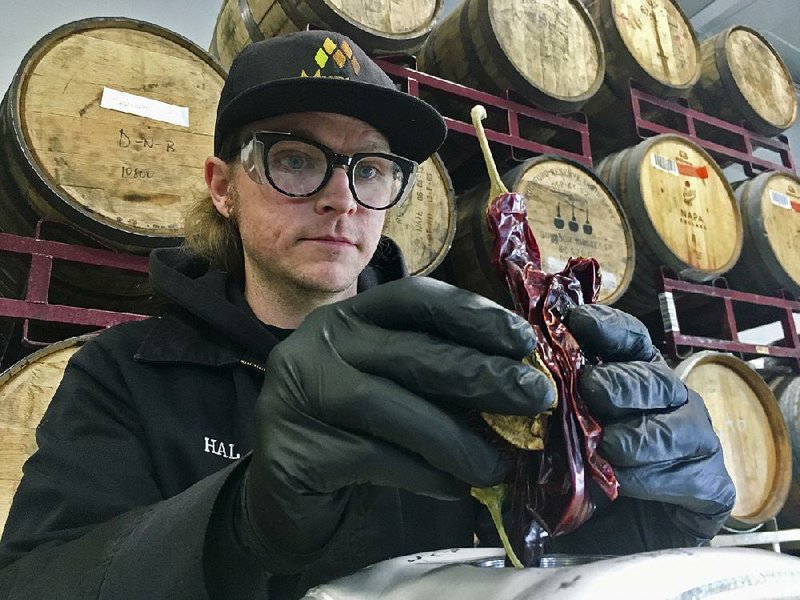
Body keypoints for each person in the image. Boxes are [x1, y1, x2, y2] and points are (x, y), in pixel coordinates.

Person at [0, 29, 734, 599]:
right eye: (294, 159)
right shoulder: (124, 374)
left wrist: (656, 511)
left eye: (373, 169)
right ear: (223, 187)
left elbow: (540, 551)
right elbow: (38, 582)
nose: (342, 198)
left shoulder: (463, 363)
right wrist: (240, 521)